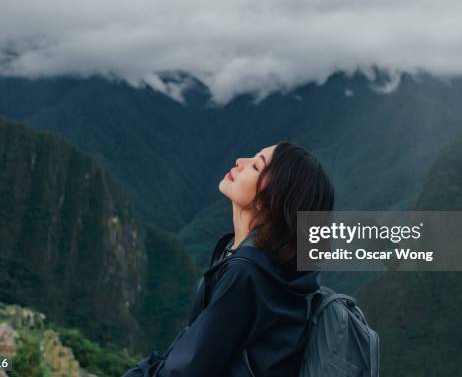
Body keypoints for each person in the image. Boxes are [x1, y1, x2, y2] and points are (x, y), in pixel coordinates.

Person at [122, 140, 335, 377]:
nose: (240, 162)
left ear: (271, 199)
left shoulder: (247, 273)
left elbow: (187, 370)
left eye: (255, 167)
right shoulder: (256, 260)